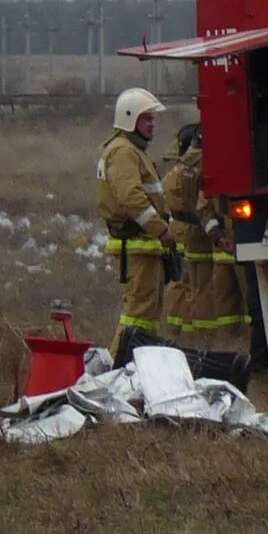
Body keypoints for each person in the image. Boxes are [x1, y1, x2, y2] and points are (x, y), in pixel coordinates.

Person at [159, 122, 254, 349]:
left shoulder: (184, 166)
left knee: (203, 292)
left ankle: (206, 340)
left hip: (207, 236)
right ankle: (246, 340)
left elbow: (196, 203)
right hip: (221, 237)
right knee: (242, 295)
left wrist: (215, 234)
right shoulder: (211, 163)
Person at [95, 87, 174, 352]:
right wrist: (161, 230)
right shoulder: (123, 151)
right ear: (129, 118)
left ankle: (139, 365)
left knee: (147, 316)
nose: (153, 125)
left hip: (146, 247)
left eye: (153, 119)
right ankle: (120, 366)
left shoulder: (132, 150)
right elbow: (131, 197)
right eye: (147, 119)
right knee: (137, 315)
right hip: (139, 245)